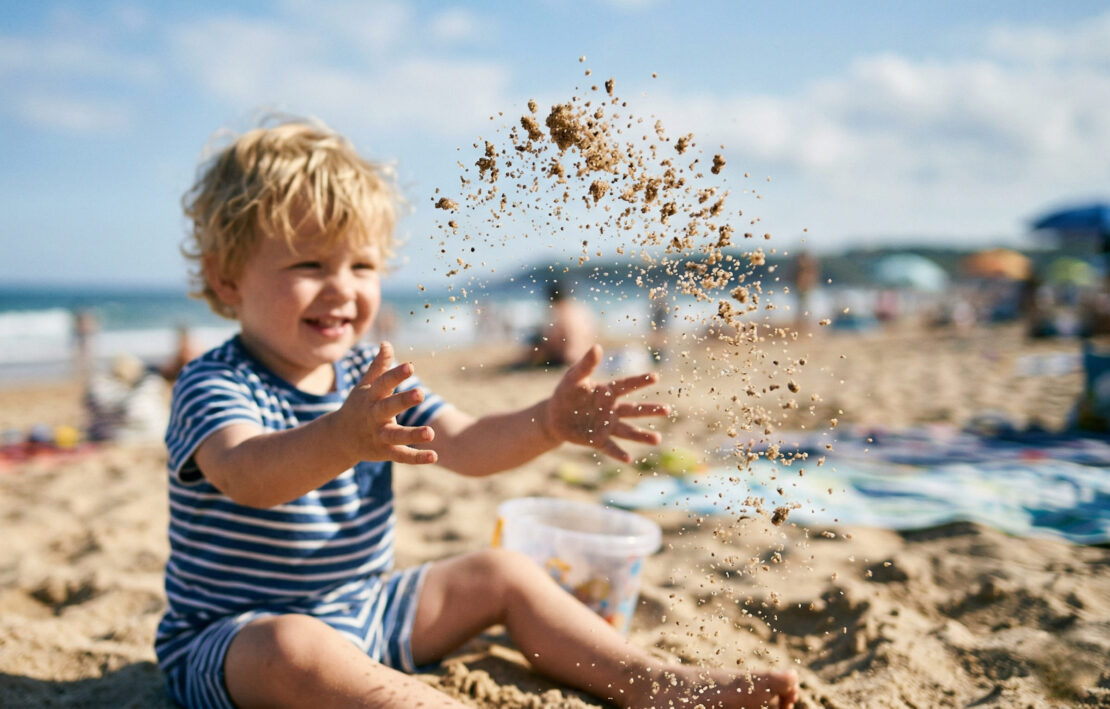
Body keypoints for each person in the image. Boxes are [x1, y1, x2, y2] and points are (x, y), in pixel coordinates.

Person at [157, 118, 798, 709]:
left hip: (365, 610)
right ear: (226, 279)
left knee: (502, 572)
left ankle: (651, 682)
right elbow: (247, 475)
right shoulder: (215, 382)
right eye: (309, 263)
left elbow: (464, 443)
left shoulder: (367, 378)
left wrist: (546, 423)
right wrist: (341, 437)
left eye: (362, 265)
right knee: (292, 649)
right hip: (232, 640)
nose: (344, 287)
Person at [522, 280, 597, 368]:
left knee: (538, 344)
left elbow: (552, 341)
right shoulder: (580, 309)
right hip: (585, 355)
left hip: (568, 358)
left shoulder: (559, 312)